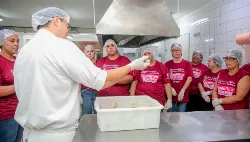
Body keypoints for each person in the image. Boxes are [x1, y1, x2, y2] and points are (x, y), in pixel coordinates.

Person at [13, 7, 150, 142]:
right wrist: (132, 66)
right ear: (56, 20)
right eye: (67, 25)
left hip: (30, 134)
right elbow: (100, 80)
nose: (67, 30)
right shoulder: (61, 46)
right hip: (57, 134)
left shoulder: (24, 51)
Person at [130, 46, 172, 110]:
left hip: (158, 101)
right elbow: (134, 82)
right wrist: (132, 98)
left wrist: (169, 100)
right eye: (145, 54)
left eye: (149, 53)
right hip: (141, 100)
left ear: (153, 54)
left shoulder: (162, 67)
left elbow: (167, 84)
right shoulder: (139, 66)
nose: (147, 55)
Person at [0, 29, 23, 142]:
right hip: (6, 115)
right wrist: (19, 86)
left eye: (17, 41)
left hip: (21, 112)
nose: (16, 44)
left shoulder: (18, 61)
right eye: (12, 40)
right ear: (2, 42)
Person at [165, 43, 192, 112]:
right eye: (174, 50)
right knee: (170, 117)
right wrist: (170, 88)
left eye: (178, 50)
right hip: (170, 96)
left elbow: (189, 78)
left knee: (181, 117)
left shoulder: (187, 63)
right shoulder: (167, 64)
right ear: (171, 52)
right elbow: (164, 79)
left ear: (181, 51)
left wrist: (183, 90)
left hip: (183, 96)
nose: (177, 52)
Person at [81, 45, 97, 114]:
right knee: (86, 113)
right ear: (85, 53)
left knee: (98, 113)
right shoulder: (82, 65)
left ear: (94, 53)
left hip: (97, 91)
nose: (90, 53)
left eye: (91, 51)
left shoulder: (99, 63)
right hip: (85, 92)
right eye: (87, 52)